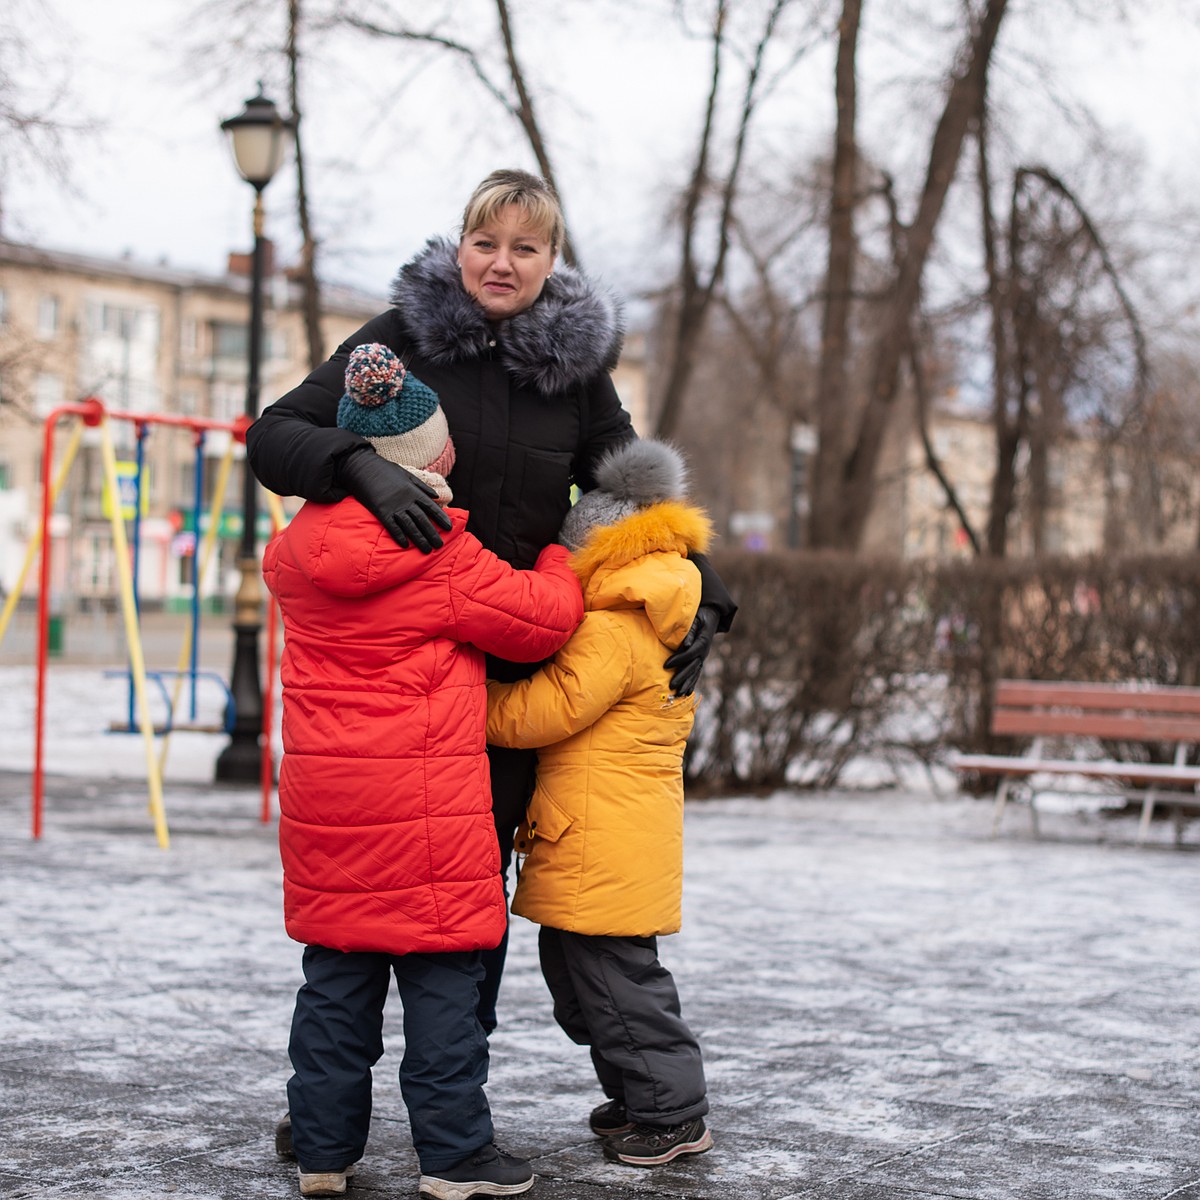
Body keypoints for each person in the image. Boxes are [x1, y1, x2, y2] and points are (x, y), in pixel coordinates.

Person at [247, 167, 736, 1033]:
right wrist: (360, 468)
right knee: (367, 895)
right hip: (409, 674)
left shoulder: (576, 372)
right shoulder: (401, 338)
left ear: (553, 259)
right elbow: (277, 434)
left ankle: (453, 1108)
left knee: (471, 902)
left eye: (525, 247)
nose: (501, 263)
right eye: (485, 242)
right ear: (460, 247)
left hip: (516, 674)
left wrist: (696, 574)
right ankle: (329, 1104)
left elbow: (624, 487)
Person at [262, 343, 584, 1199]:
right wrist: (558, 554)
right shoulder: (437, 553)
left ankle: (324, 1155)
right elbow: (541, 622)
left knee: (335, 984)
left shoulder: (294, 555)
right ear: (435, 458)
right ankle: (454, 1156)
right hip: (425, 813)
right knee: (443, 984)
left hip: (328, 810)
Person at [485, 439, 714, 1168]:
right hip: (611, 826)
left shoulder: (614, 627)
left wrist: (473, 699)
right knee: (595, 976)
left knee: (618, 984)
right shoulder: (654, 615)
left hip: (603, 832)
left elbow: (545, 712)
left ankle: (673, 1112)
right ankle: (639, 1094)